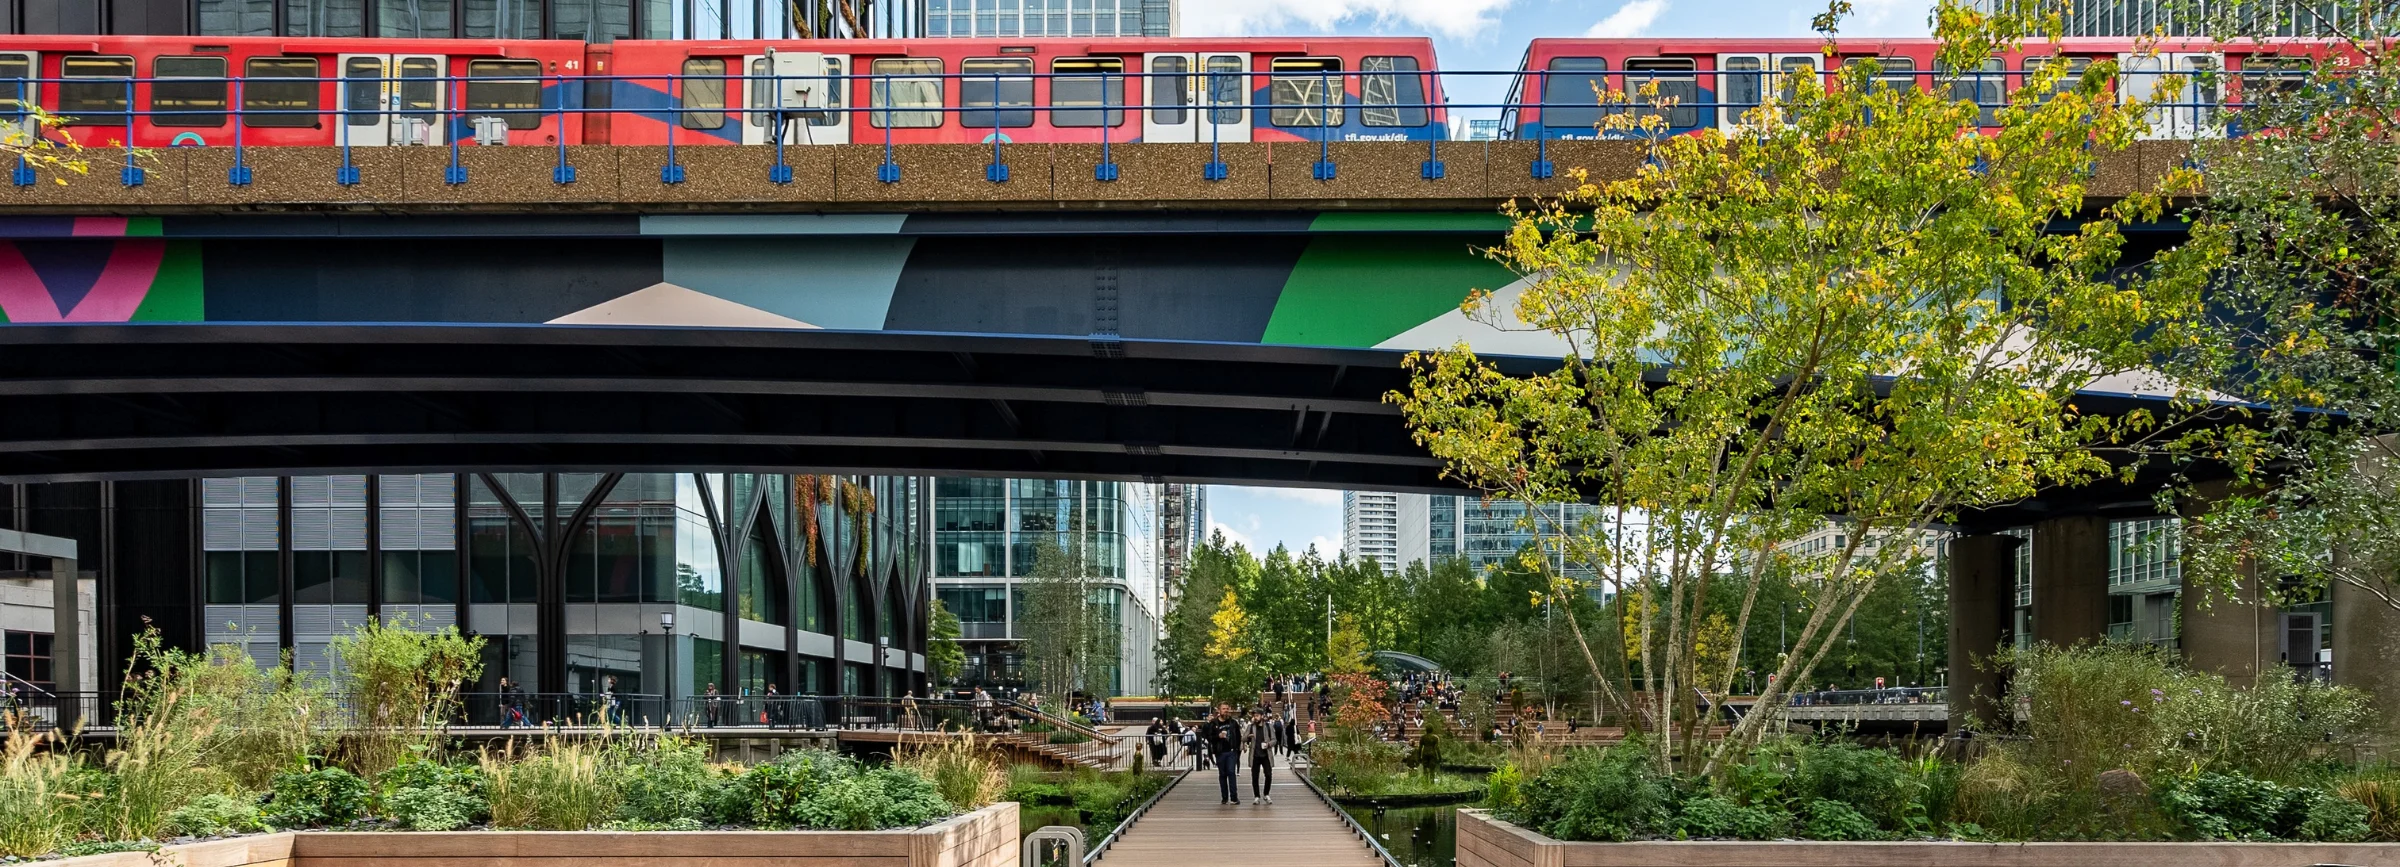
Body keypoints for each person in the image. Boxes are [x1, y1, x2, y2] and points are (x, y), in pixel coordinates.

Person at [1201, 704, 1243, 805]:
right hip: (1220, 752)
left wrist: (1237, 748)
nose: (1226, 711)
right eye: (1223, 709)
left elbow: (1238, 735)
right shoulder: (1213, 723)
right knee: (1223, 774)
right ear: (1219, 710)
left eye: (1227, 709)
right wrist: (1218, 736)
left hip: (1231, 751)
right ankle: (1224, 797)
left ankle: (1234, 797)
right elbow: (1209, 737)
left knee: (1231, 772)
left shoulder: (1233, 722)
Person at [1248, 707, 1280, 805]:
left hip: (1266, 755)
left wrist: (1268, 744)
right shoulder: (1251, 727)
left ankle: (1266, 794)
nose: (1255, 718)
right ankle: (1256, 796)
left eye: (1257, 715)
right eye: (1254, 716)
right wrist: (1249, 737)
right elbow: (1243, 738)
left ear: (1262, 716)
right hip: (1255, 755)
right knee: (1255, 777)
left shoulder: (1268, 727)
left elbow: (1274, 740)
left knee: (1269, 775)